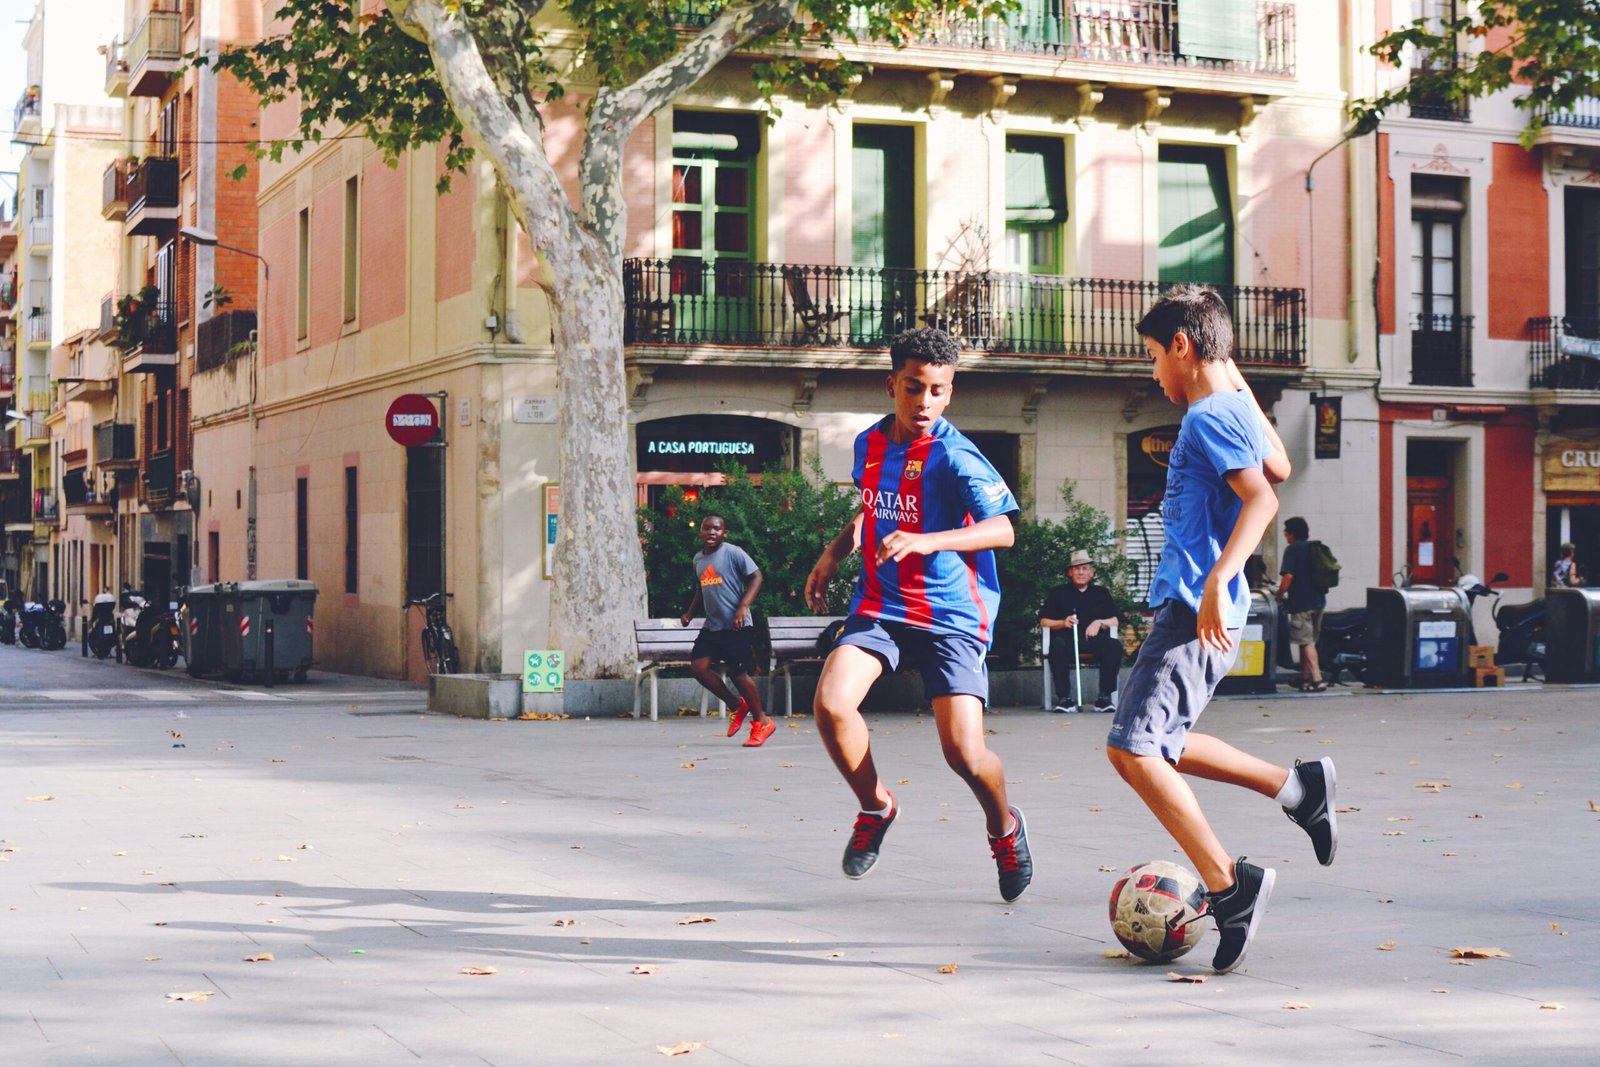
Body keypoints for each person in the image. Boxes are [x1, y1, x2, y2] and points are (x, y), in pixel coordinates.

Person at [1105, 284, 1338, 975]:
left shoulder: (1210, 415)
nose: (1153, 373)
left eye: (1153, 356)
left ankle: (1231, 886)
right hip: (1197, 606)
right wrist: (1228, 365)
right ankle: (1298, 788)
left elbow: (1263, 496)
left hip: (1192, 605)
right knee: (1160, 743)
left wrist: (1216, 577)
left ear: (1181, 346)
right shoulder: (1232, 403)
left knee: (1134, 750)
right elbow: (1283, 466)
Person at [803, 327, 1031, 902]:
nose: (924, 402)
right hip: (881, 605)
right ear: (892, 386)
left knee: (964, 755)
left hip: (952, 615)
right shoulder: (869, 444)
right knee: (831, 705)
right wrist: (834, 552)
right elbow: (872, 507)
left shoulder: (957, 456)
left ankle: (1004, 827)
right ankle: (876, 806)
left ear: (949, 393)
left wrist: (928, 541)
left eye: (937, 390)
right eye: (913, 388)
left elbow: (1003, 530)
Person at [680, 513, 775, 748]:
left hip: (737, 625)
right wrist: (691, 612)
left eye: (717, 529)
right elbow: (702, 589)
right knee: (699, 668)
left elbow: (756, 577)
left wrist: (743, 607)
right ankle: (737, 706)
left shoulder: (733, 552)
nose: (712, 532)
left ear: (725, 533)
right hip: (713, 626)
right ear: (700, 531)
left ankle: (762, 722)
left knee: (738, 673)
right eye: (707, 528)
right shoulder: (698, 560)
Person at [1039, 549, 1123, 713]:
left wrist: (1099, 622)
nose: (1081, 572)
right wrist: (1063, 622)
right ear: (1070, 572)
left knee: (1114, 646)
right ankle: (1065, 699)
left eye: (1085, 568)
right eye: (1077, 569)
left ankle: (1104, 697)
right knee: (1057, 646)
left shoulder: (1101, 593)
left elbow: (1115, 620)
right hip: (1067, 639)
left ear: (1091, 572)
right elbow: (1044, 621)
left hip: (1094, 640)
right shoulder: (1058, 593)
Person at [1276, 516, 1327, 692]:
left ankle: (1318, 679)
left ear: (1291, 534)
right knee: (1308, 641)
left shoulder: (1292, 550)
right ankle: (1304, 679)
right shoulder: (1315, 548)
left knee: (1306, 642)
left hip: (1302, 603)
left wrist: (1279, 595)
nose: (1284, 535)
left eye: (1285, 532)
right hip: (1319, 601)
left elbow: (1288, 577)